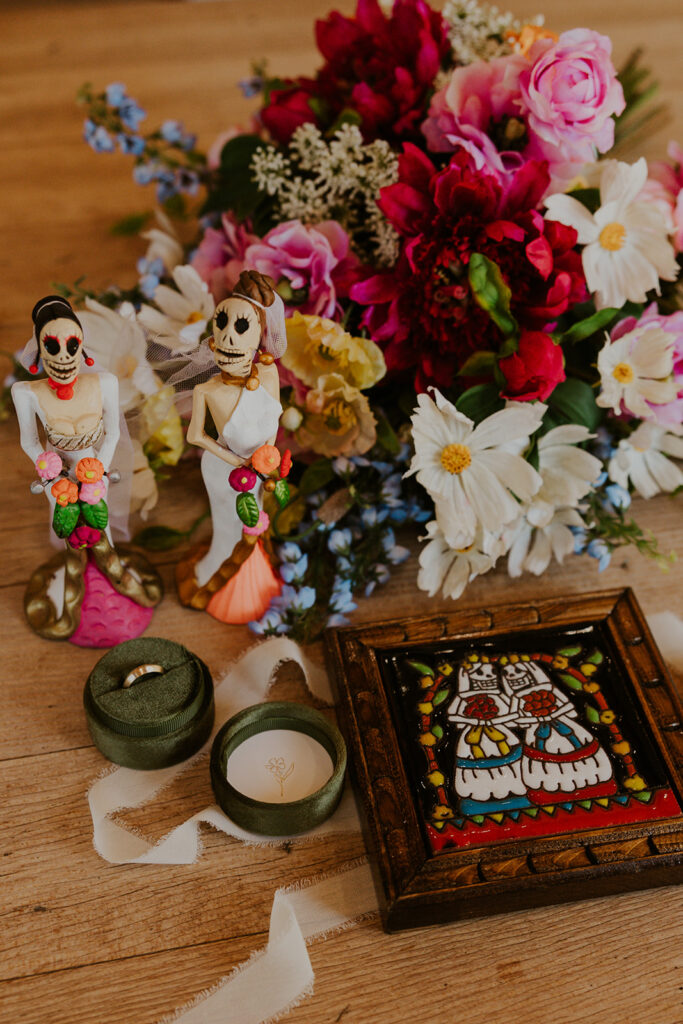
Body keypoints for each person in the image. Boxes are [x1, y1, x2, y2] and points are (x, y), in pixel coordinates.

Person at [13, 295, 162, 643]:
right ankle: (72, 592)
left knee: (101, 526)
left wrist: (96, 473)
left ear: (82, 346)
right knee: (69, 533)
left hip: (95, 469)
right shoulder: (26, 392)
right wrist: (51, 476)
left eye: (71, 344)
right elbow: (29, 441)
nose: (63, 357)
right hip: (57, 474)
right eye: (52, 345)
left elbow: (111, 433)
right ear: (39, 349)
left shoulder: (104, 383)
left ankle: (117, 581)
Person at [176, 270, 285, 624]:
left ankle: (255, 580)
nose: (228, 336)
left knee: (254, 518)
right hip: (223, 471)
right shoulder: (207, 390)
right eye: (221, 324)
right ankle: (219, 577)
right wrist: (235, 459)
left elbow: (275, 417)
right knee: (229, 524)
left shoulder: (268, 375)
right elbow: (196, 437)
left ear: (258, 336)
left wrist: (265, 455)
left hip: (256, 468)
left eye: (240, 328)